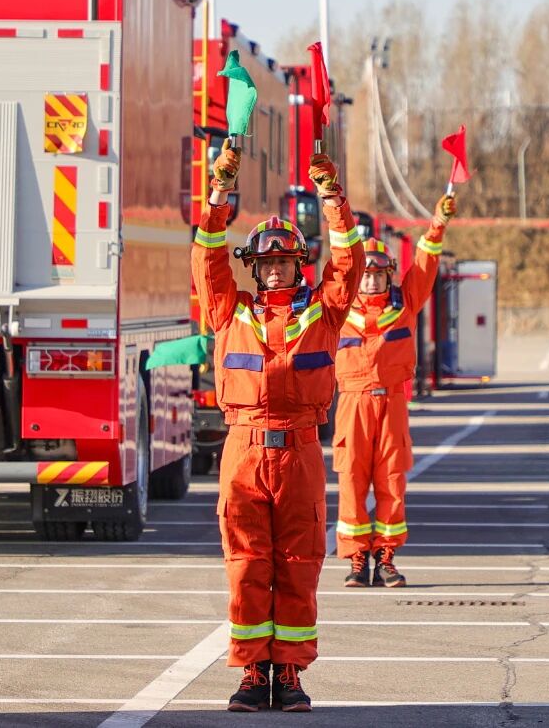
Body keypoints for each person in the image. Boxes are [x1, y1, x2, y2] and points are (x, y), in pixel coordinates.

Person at [192, 141, 362, 713]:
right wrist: (219, 193)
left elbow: (350, 261)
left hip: (299, 450)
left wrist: (332, 196)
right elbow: (206, 257)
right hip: (243, 447)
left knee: (299, 563)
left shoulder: (325, 312)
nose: (274, 271)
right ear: (255, 268)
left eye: (283, 262)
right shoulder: (229, 311)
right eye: (265, 264)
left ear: (297, 264)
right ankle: (249, 673)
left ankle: (287, 671)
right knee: (245, 563)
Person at [332, 195, 457, 588]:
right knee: (351, 480)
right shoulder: (338, 312)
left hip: (392, 403)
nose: (371, 280)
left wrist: (437, 223)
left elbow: (425, 265)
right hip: (352, 403)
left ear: (389, 277)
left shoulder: (404, 306)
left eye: (379, 275)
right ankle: (356, 559)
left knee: (392, 480)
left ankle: (386, 557)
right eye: (365, 274)